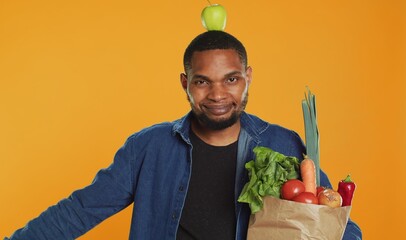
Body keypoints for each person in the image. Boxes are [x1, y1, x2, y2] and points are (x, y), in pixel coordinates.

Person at [4, 31, 362, 240]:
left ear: (248, 77)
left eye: (231, 79)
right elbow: (80, 210)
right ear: (185, 83)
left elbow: (339, 227)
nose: (218, 94)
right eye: (203, 81)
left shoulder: (284, 146)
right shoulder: (148, 147)